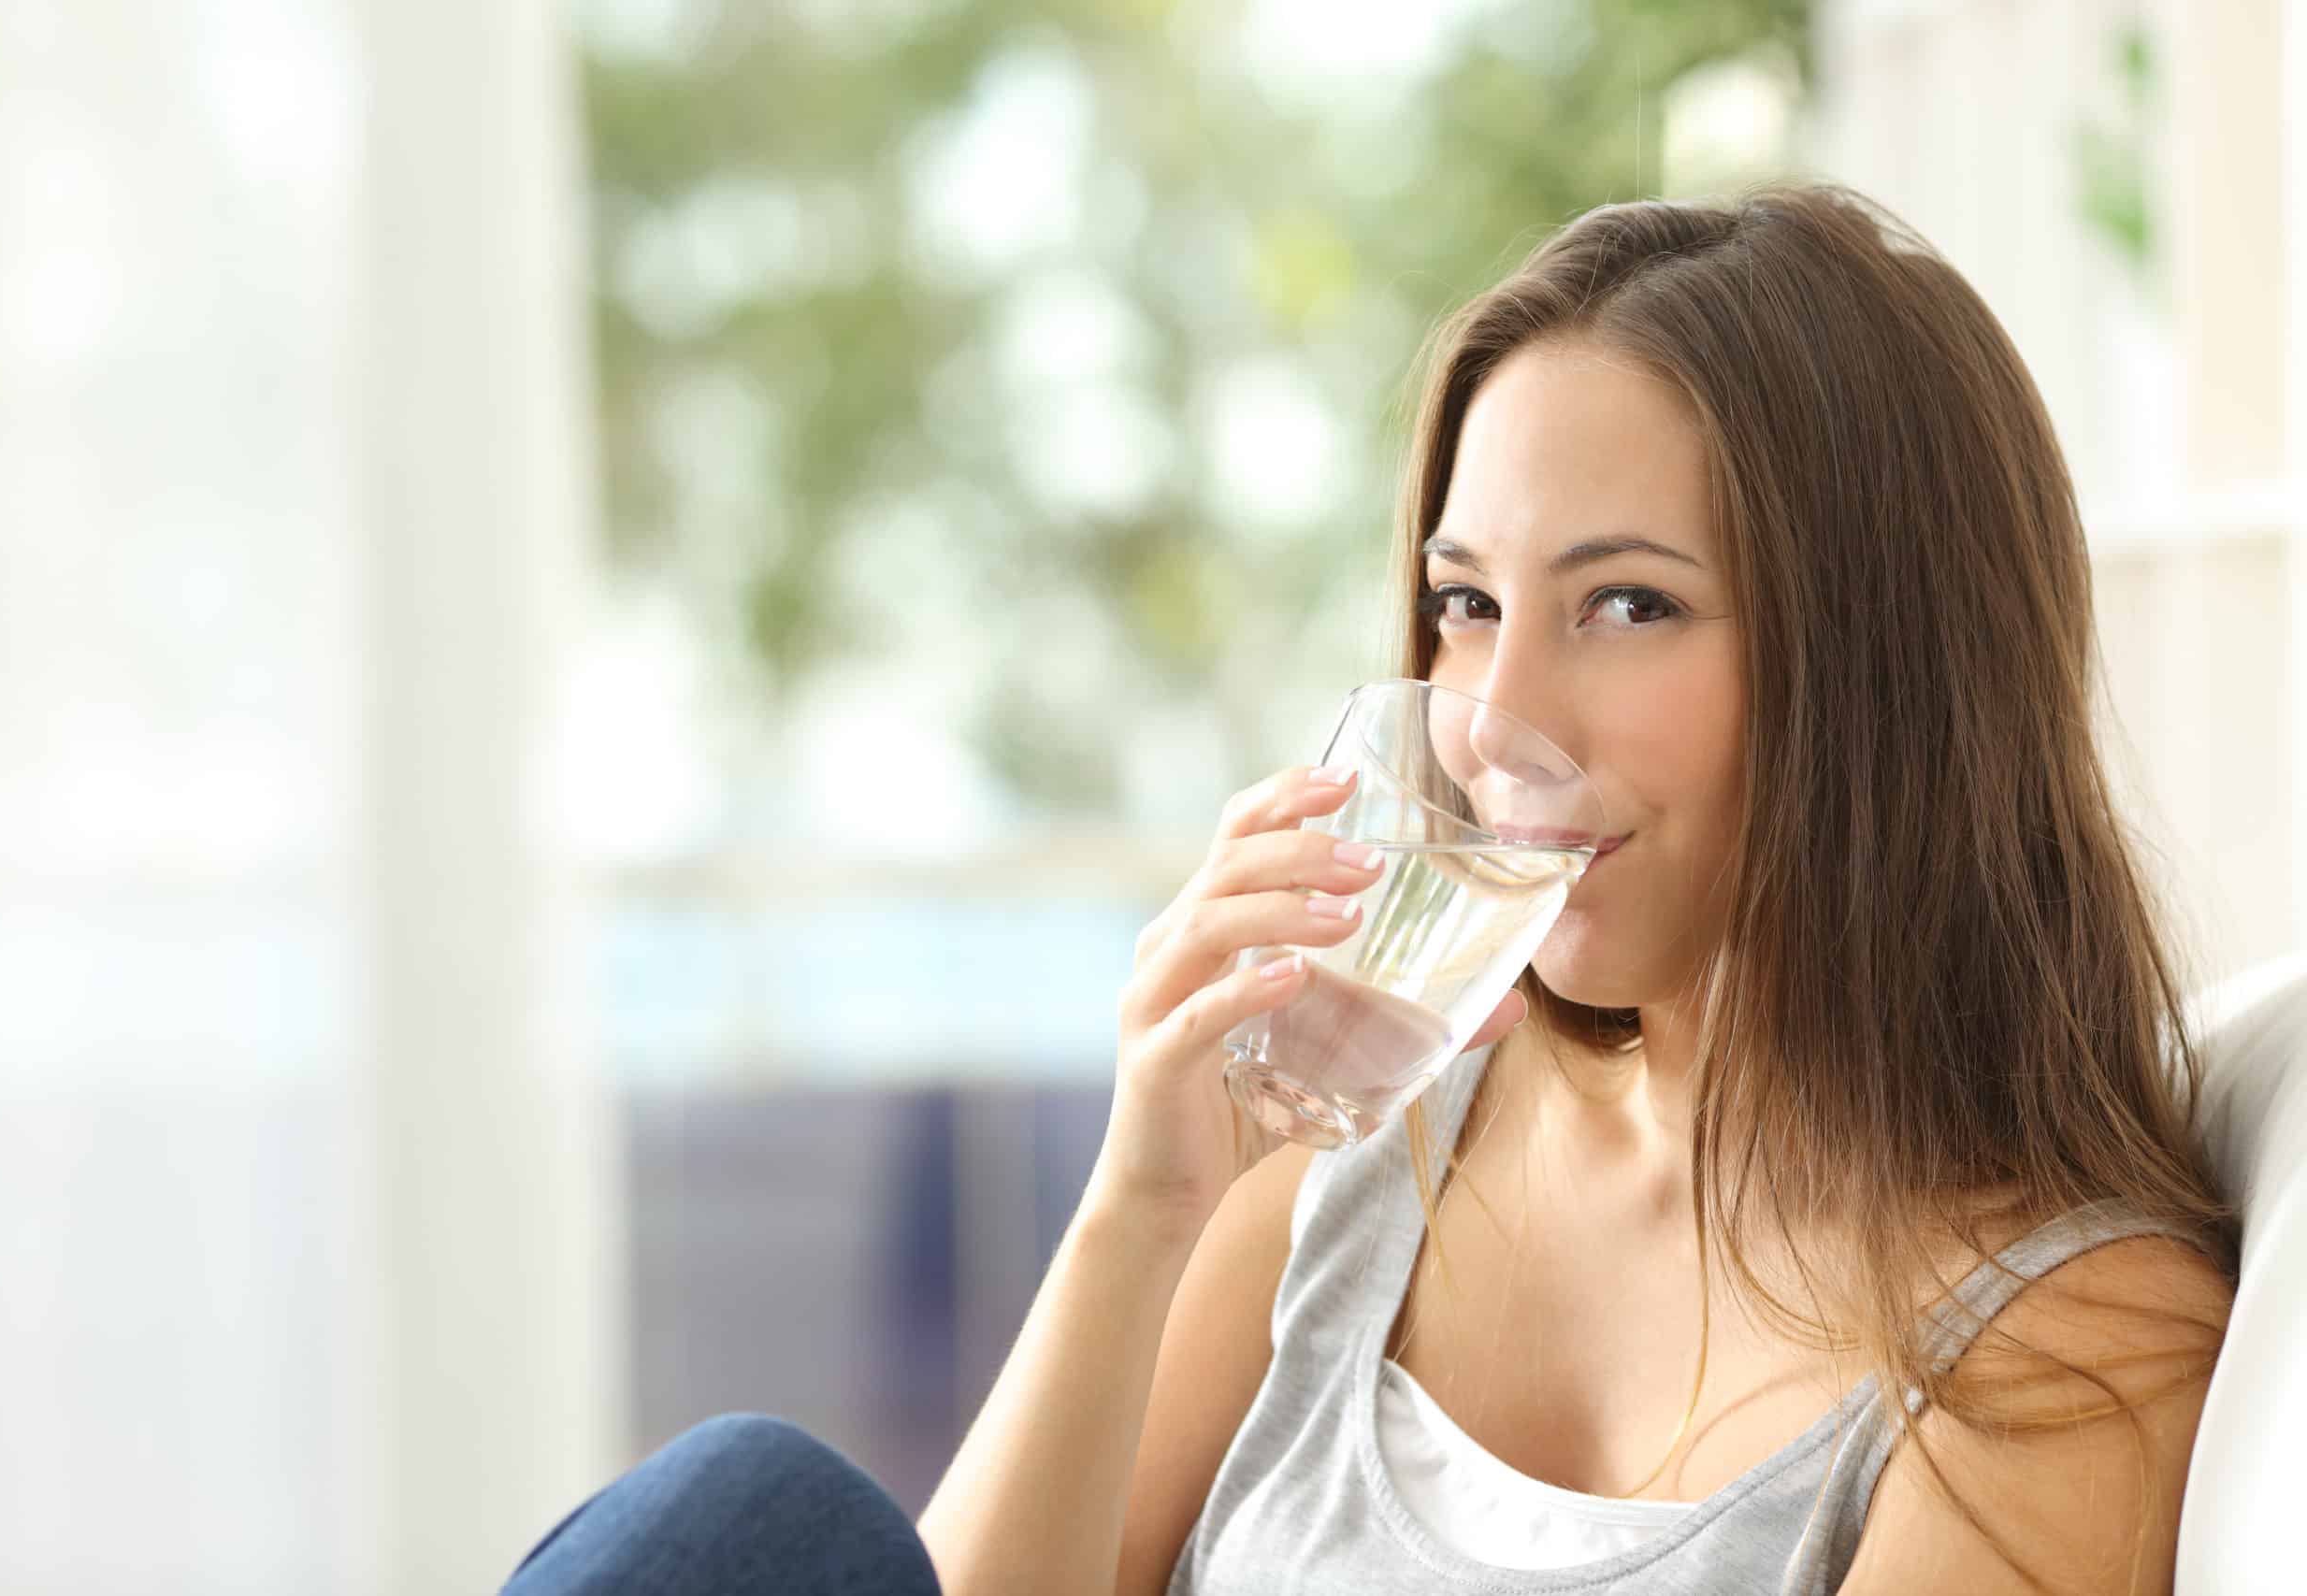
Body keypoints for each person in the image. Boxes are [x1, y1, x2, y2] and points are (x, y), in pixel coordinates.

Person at [500, 182, 2237, 1596]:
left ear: (1888, 670)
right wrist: (1140, 1209)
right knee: (748, 1515)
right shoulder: (1364, 1161)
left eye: (1627, 606)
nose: (1491, 721)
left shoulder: (2070, 1349)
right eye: (1467, 604)